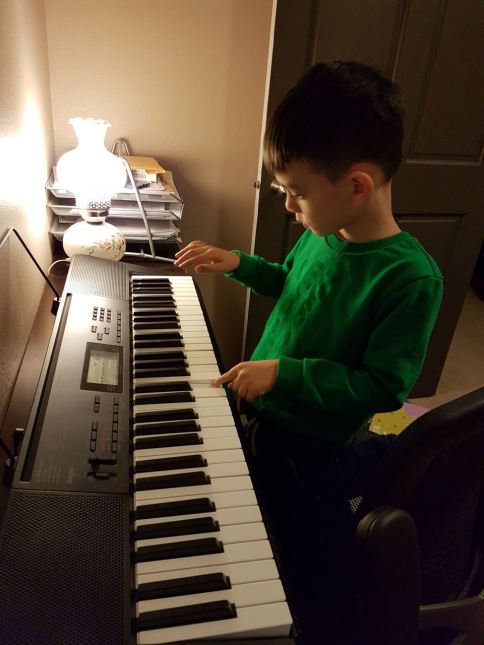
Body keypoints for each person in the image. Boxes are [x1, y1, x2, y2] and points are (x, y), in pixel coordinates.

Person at [174, 60, 443, 534]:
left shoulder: (410, 279)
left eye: (296, 192)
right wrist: (238, 263)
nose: (288, 205)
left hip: (313, 451)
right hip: (264, 413)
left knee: (288, 538)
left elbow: (383, 387)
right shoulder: (324, 233)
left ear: (356, 186)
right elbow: (290, 284)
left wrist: (285, 373)